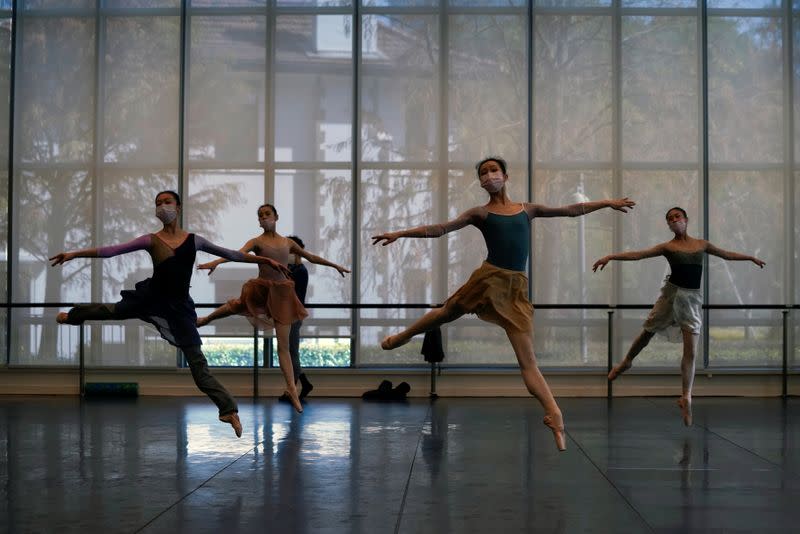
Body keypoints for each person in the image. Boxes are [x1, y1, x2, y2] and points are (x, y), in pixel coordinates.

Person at [372, 156, 636, 451]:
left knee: (529, 362)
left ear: (505, 176)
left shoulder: (528, 209)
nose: (489, 176)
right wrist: (400, 233)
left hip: (515, 288)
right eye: (483, 173)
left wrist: (607, 202)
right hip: (488, 279)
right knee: (447, 312)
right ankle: (402, 337)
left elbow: (571, 210)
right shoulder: (480, 214)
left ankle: (555, 416)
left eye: (493, 171)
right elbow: (440, 229)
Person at [49, 190, 290, 438]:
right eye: (158, 203)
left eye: (167, 202)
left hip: (179, 308)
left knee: (198, 363)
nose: (162, 207)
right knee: (110, 311)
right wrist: (73, 254)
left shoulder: (194, 240)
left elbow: (232, 254)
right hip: (151, 298)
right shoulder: (151, 240)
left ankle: (228, 410)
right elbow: (111, 251)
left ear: (179, 207)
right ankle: (73, 316)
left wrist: (266, 261)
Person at [593, 206, 765, 426]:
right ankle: (626, 363)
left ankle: (686, 396)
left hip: (691, 300)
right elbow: (638, 255)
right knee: (647, 332)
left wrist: (750, 257)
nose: (674, 220)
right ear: (669, 225)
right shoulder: (668, 247)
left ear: (685, 219)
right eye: (670, 219)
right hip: (672, 295)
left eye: (677, 217)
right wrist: (611, 256)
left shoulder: (701, 244)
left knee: (690, 350)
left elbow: (727, 255)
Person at [196, 204, 350, 412]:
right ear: (258, 221)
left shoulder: (287, 243)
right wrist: (216, 262)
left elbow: (311, 257)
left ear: (276, 216)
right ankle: (206, 319)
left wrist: (335, 266)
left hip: (283, 294)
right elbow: (237, 254)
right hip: (262, 288)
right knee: (236, 305)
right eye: (260, 215)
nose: (264, 218)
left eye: (267, 214)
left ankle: (292, 390)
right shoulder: (257, 241)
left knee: (283, 347)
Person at [285, 235, 314, 400]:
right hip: (289, 314)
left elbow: (290, 292)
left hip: (293, 315)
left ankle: (301, 384)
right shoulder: (293, 269)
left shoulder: (300, 271)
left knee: (291, 352)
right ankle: (293, 389)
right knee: (290, 352)